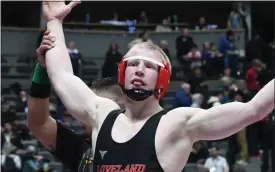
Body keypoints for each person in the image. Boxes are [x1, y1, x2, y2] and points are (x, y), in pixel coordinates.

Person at [39, 1, 274, 171]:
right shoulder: (101, 113)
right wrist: (54, 21)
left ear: (162, 79)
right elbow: (62, 77)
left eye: (149, 66)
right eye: (133, 64)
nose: (139, 69)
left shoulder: (178, 124)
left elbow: (253, 110)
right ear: (122, 72)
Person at [27, 33, 124, 172]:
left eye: (96, 106)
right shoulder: (82, 149)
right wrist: (42, 70)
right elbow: (38, 123)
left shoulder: (150, 144)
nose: (85, 112)